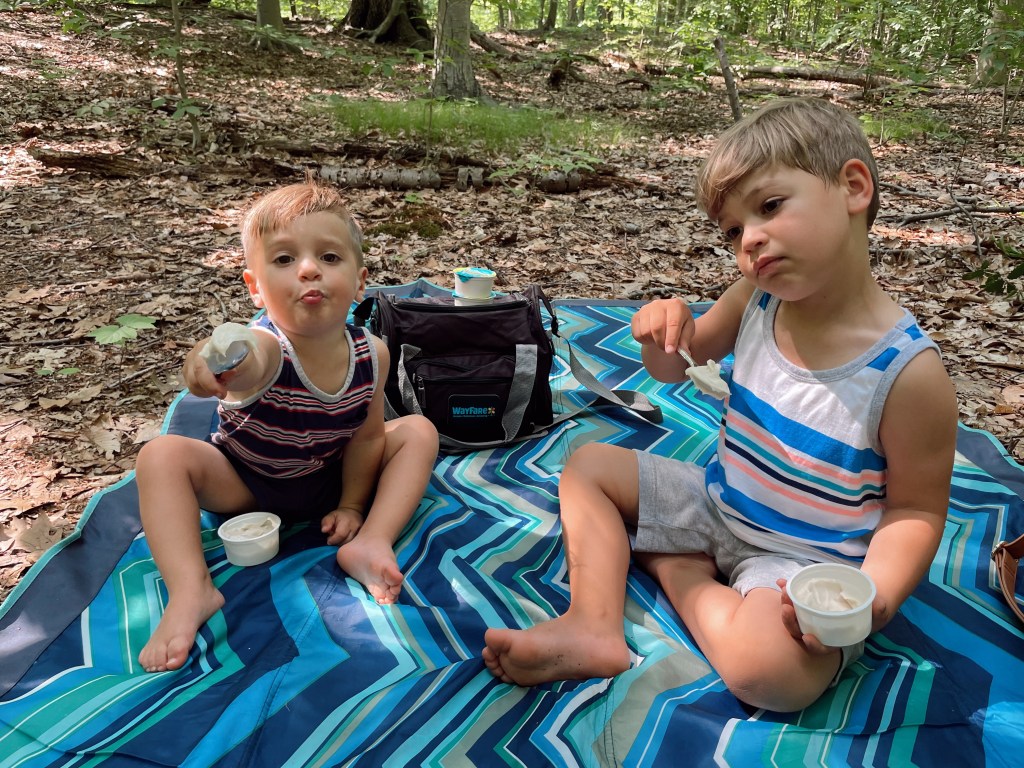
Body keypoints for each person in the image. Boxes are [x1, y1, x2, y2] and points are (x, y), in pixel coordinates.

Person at [482, 98, 958, 712]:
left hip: (803, 560)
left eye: (770, 206)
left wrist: (876, 595)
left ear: (853, 187)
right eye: (733, 231)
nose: (750, 239)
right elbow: (674, 365)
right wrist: (662, 328)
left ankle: (675, 570)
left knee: (773, 675)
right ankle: (592, 625)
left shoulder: (906, 374)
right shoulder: (756, 299)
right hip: (717, 500)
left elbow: (915, 511)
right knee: (587, 466)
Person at [136, 182, 439, 673]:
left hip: (328, 478)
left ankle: (372, 540)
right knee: (161, 455)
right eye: (283, 259)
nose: (308, 269)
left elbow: (366, 437)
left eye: (329, 256)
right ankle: (191, 589)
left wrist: (352, 505)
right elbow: (238, 353)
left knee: (419, 431)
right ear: (255, 286)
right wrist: (208, 362)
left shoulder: (373, 353)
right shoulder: (266, 347)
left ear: (360, 282)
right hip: (246, 484)